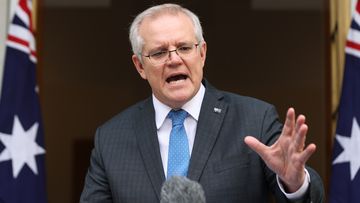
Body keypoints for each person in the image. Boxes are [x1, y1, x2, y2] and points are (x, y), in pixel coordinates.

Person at [80, 3, 324, 203]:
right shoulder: (110, 138)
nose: (174, 60)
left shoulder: (254, 119)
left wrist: (294, 182)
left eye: (184, 48)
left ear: (202, 53)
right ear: (140, 66)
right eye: (159, 53)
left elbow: (306, 198)